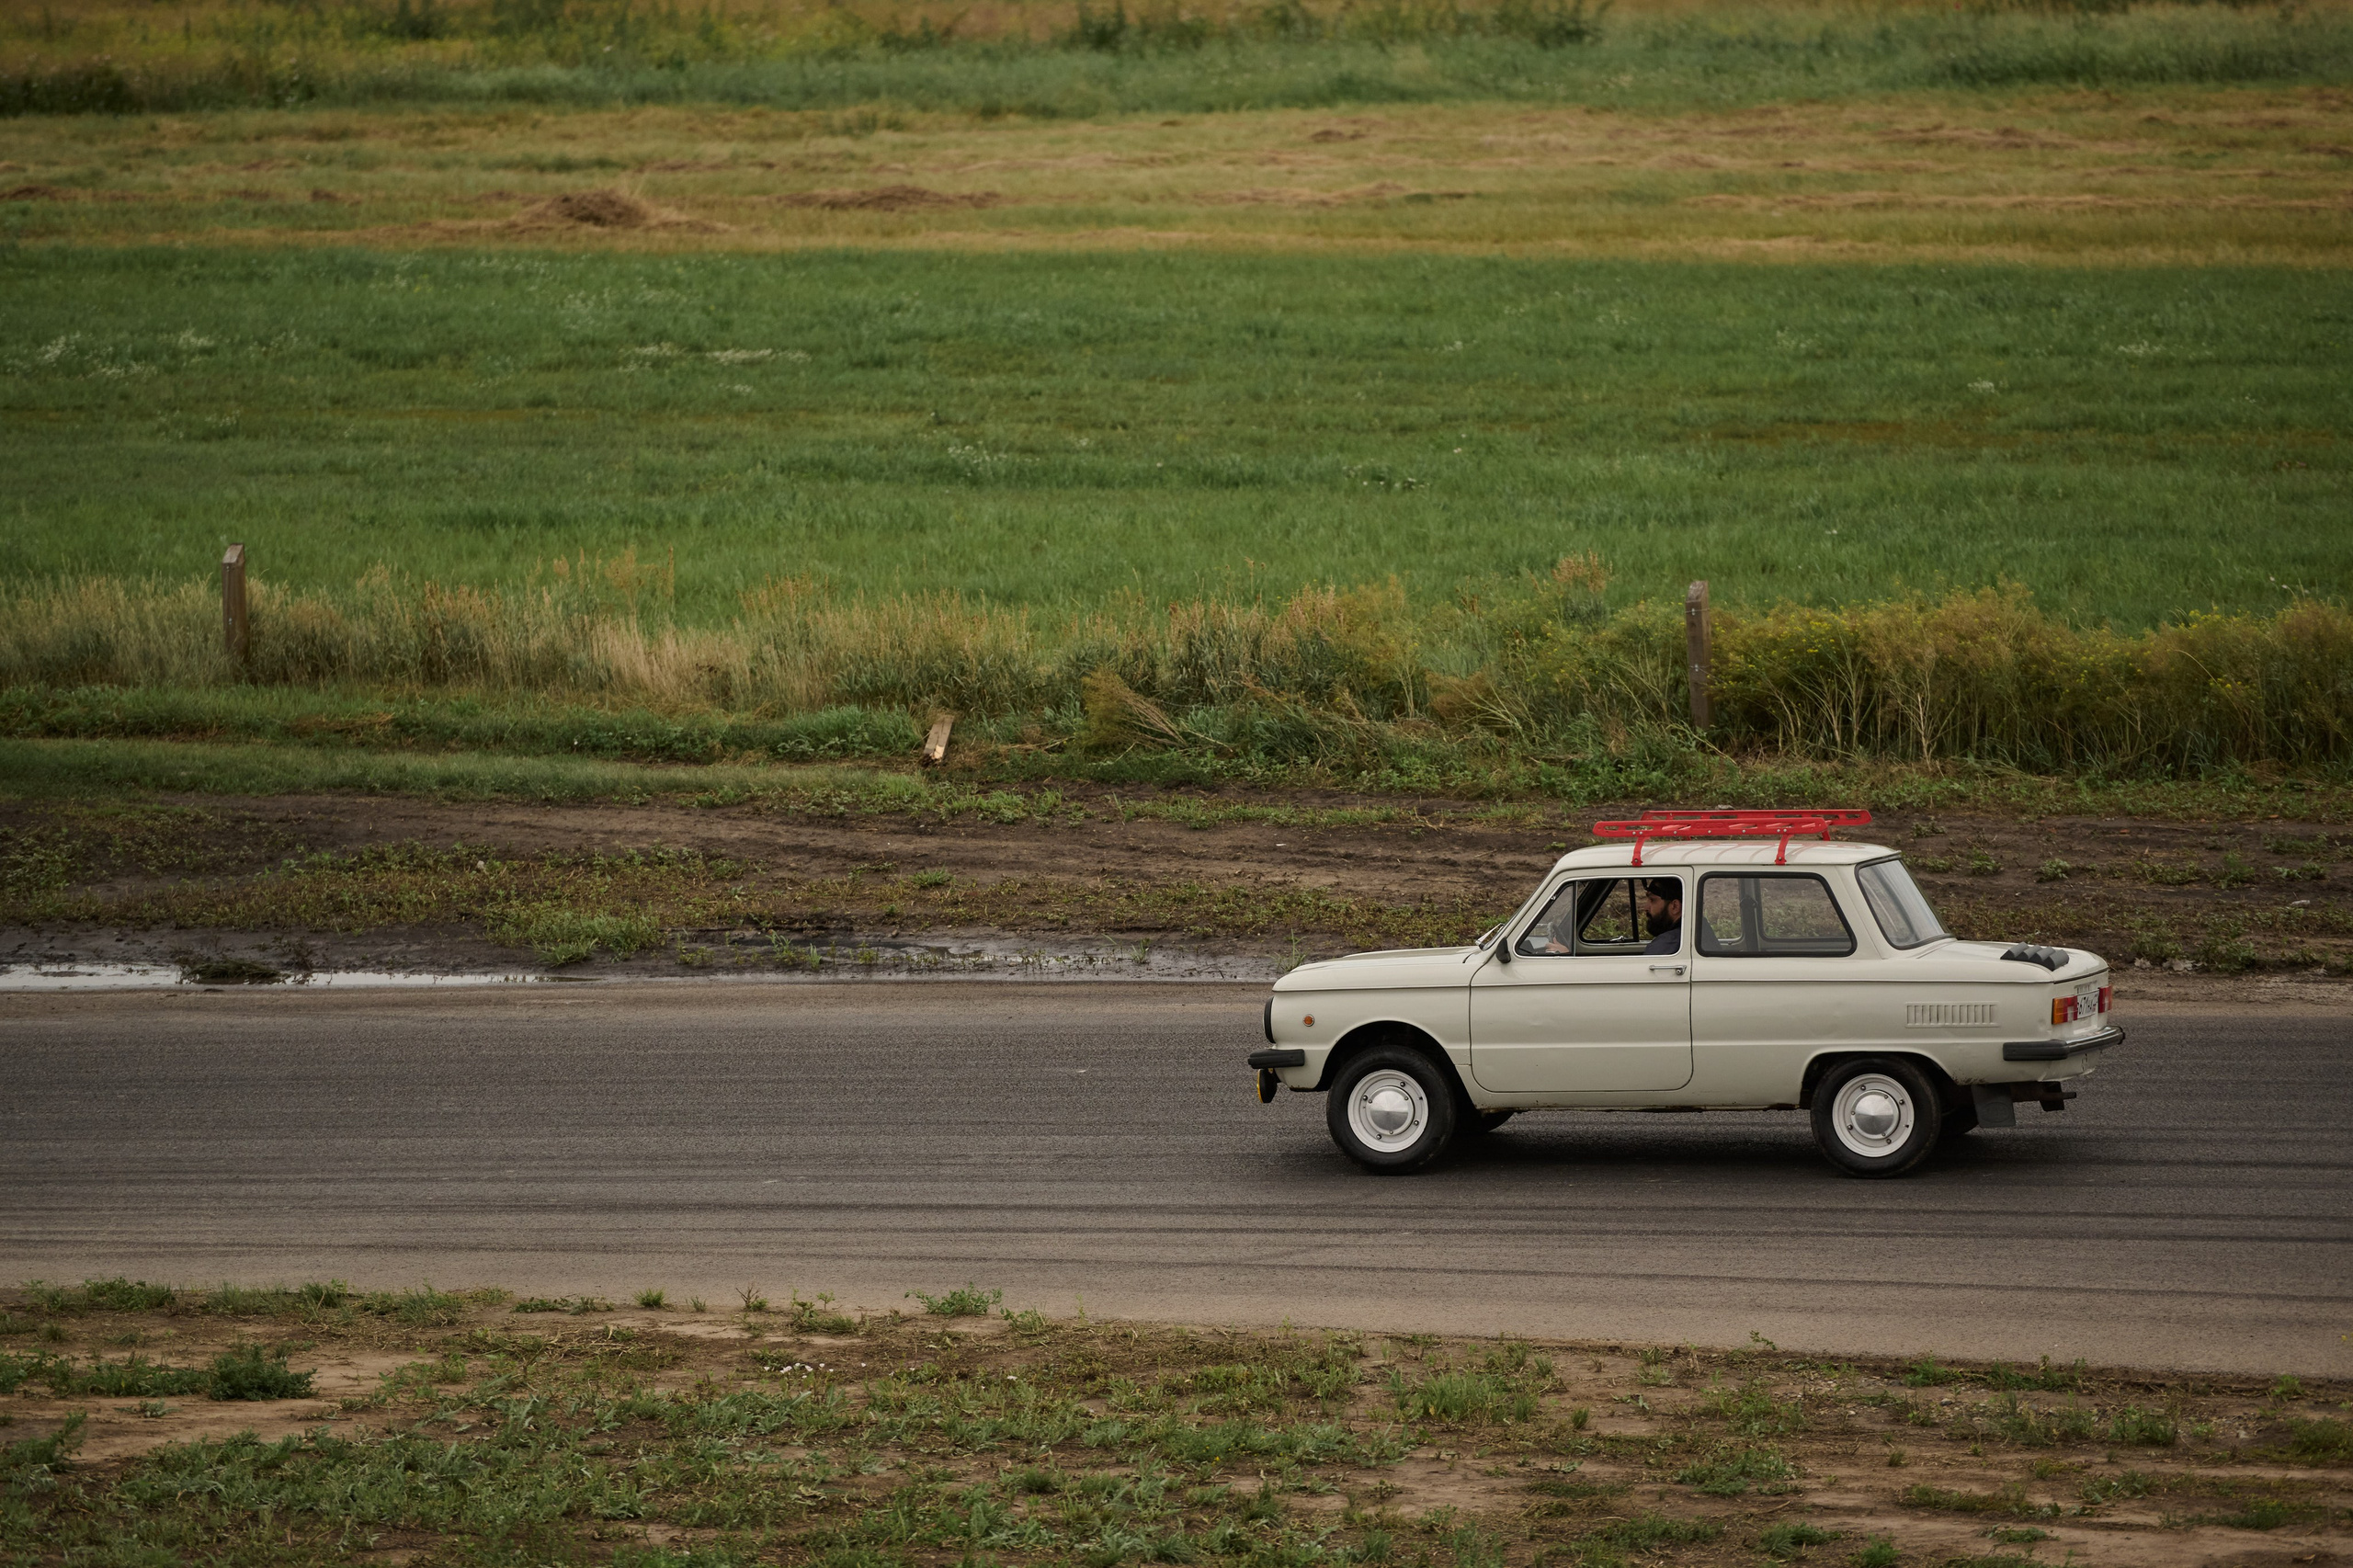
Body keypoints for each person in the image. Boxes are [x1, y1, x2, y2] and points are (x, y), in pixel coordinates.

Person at [1642, 878, 1684, 955]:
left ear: (1675, 906)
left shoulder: (1667, 943)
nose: (1646, 908)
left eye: (1652, 900)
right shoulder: (1701, 931)